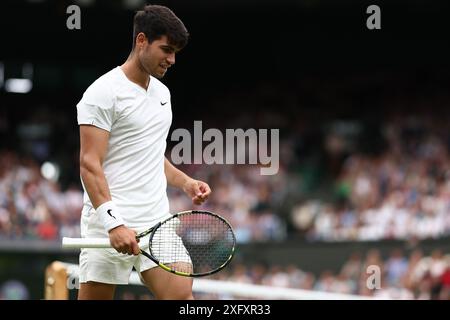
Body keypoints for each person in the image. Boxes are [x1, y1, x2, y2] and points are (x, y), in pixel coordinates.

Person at [75, 5, 211, 300]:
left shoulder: (163, 94)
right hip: (108, 226)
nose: (172, 59)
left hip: (157, 223)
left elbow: (149, 154)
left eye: (176, 52)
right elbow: (89, 164)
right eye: (166, 49)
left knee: (182, 298)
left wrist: (185, 182)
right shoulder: (102, 93)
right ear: (141, 41)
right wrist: (114, 224)